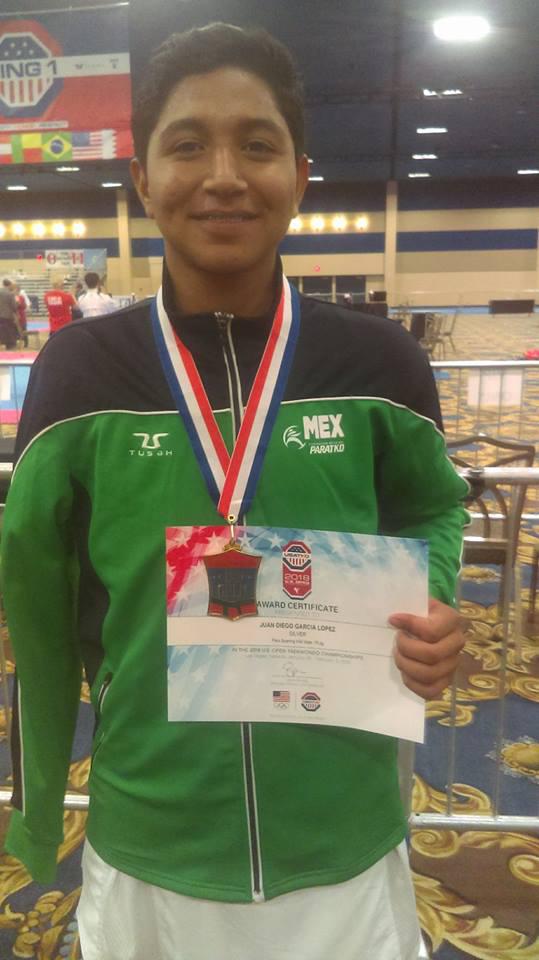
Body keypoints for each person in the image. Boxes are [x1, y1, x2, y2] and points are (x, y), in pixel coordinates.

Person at [1, 24, 468, 960]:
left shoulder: (378, 363)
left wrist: (433, 597)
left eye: (255, 145)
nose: (222, 175)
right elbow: (36, 603)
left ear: (298, 175)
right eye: (187, 145)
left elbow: (431, 505)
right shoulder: (79, 373)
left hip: (342, 831)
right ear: (143, 180)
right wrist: (39, 800)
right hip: (151, 832)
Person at [0, 278, 20, 349]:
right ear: (9, 285)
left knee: (2, 330)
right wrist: (17, 305)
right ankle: (9, 345)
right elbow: (14, 306)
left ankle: (2, 342)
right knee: (9, 330)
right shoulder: (10, 294)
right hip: (7, 315)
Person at [12, 283, 29, 348]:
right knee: (14, 329)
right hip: (14, 315)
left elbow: (24, 306)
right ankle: (15, 342)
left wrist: (19, 303)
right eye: (14, 289)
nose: (15, 291)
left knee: (23, 329)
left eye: (16, 289)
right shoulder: (11, 297)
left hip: (21, 315)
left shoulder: (21, 297)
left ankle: (26, 342)